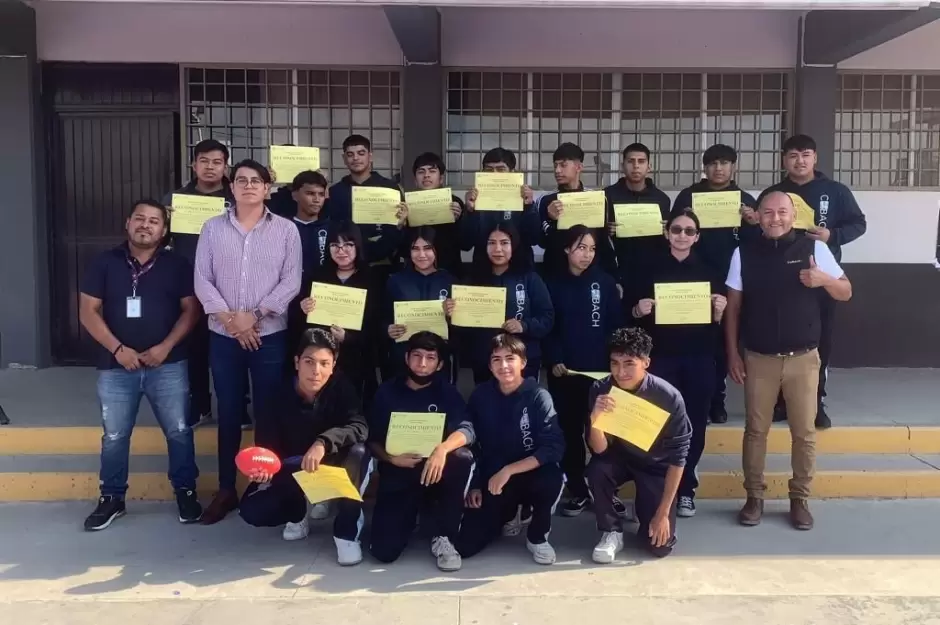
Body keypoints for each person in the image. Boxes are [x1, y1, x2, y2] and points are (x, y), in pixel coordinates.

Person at [725, 191, 853, 531]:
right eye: (768, 212)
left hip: (803, 360)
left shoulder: (814, 249)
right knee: (755, 432)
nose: (775, 218)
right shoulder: (744, 252)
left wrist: (823, 279)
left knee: (804, 433)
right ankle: (754, 497)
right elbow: (733, 308)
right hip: (759, 358)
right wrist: (732, 354)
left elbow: (846, 290)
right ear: (758, 216)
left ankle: (799, 499)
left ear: (793, 214)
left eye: (782, 211)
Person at [79, 199, 201, 530]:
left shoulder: (177, 264)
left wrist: (165, 347)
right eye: (140, 219)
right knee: (115, 436)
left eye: (154, 221)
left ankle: (186, 492)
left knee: (178, 431)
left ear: (164, 229)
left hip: (168, 364)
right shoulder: (105, 262)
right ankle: (112, 498)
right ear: (127, 223)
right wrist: (118, 349)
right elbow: (87, 311)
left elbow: (191, 310)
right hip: (116, 366)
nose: (146, 225)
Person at [194, 159, 302, 524]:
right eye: (241, 180)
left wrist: (253, 317)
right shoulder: (211, 228)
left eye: (256, 181)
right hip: (224, 336)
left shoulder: (286, 230)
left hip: (269, 335)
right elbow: (202, 281)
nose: (249, 186)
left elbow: (291, 282)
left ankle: (264, 484)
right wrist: (232, 321)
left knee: (268, 411)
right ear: (232, 186)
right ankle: (226, 489)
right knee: (229, 412)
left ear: (268, 188)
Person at [759, 134, 866, 429]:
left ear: (815, 158)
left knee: (820, 340)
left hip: (821, 275)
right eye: (793, 155)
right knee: (778, 337)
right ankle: (781, 402)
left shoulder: (835, 191)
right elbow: (762, 229)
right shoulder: (774, 192)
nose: (800, 160)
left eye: (805, 154)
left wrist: (833, 236)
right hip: (778, 277)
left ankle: (815, 401)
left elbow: (859, 223)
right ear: (784, 160)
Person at [240, 328, 370, 566]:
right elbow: (266, 443)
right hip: (294, 468)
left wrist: (323, 442)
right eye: (309, 362)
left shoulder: (342, 387)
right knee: (252, 509)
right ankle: (297, 513)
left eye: (324, 363)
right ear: (297, 362)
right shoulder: (276, 393)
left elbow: (359, 426)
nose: (316, 371)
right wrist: (263, 471)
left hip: (332, 465)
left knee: (360, 453)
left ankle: (346, 531)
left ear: (333, 365)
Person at [630, 209, 725, 518]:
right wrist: (638, 309)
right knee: (653, 425)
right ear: (666, 232)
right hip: (659, 360)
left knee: (694, 424)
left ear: (697, 236)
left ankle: (685, 490)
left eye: (688, 231)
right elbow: (627, 310)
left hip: (698, 359)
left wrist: (719, 311)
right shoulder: (647, 268)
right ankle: (651, 488)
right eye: (677, 229)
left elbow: (719, 325)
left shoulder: (711, 271)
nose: (682, 235)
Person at [367, 332, 474, 571]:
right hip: (398, 473)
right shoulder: (387, 392)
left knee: (461, 458)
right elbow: (372, 440)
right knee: (383, 553)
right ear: (406, 358)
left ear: (440, 364)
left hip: (435, 474)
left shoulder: (447, 393)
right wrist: (391, 458)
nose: (422, 364)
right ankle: (413, 514)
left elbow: (467, 429)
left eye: (430, 357)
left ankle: (444, 535)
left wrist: (442, 449)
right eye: (416, 356)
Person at [456, 334, 565, 565]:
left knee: (553, 478)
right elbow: (471, 440)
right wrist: (474, 484)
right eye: (496, 359)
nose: (503, 365)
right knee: (465, 546)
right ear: (489, 365)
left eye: (510, 358)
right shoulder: (481, 395)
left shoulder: (538, 395)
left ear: (523, 362)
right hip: (494, 475)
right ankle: (509, 513)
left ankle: (537, 536)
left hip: (530, 471)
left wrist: (510, 470)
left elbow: (553, 447)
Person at [585, 328, 691, 563]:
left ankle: (647, 506)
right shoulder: (601, 389)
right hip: (619, 458)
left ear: (646, 363)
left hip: (657, 466)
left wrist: (662, 513)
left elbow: (679, 457)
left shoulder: (669, 397)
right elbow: (600, 450)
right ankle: (611, 530)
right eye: (614, 363)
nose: (620, 372)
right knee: (597, 469)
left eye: (629, 364)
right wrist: (595, 421)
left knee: (659, 548)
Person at [672, 144, 759, 424]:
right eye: (712, 163)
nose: (718, 168)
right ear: (704, 168)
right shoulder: (689, 196)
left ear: (733, 166)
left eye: (724, 163)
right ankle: (685, 397)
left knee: (723, 342)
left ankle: (717, 400)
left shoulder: (744, 200)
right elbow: (674, 232)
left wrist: (752, 222)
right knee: (692, 338)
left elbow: (756, 244)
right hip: (690, 279)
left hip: (730, 281)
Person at [545, 225, 622, 517]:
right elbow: (548, 325)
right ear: (566, 249)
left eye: (591, 248)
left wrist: (614, 367)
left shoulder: (604, 283)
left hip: (599, 375)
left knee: (602, 433)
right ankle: (577, 490)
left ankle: (606, 490)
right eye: (580, 247)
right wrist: (554, 358)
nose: (586, 254)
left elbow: (616, 327)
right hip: (565, 373)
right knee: (570, 433)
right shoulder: (551, 283)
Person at [163, 139, 235, 428]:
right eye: (204, 161)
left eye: (217, 162)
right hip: (188, 286)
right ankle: (200, 404)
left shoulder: (237, 197)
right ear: (194, 164)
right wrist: (166, 221)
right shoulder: (177, 200)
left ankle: (235, 407)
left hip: (229, 285)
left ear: (225, 166)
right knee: (192, 348)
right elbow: (162, 241)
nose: (210, 167)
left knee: (229, 349)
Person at [447, 222, 554, 384]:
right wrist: (451, 315)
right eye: (491, 243)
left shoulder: (529, 278)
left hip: (524, 360)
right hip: (485, 361)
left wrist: (524, 325)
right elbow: (461, 329)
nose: (497, 249)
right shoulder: (471, 281)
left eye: (504, 243)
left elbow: (547, 317)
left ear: (514, 246)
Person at [300, 221, 381, 401]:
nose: (341, 250)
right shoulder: (318, 276)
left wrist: (349, 338)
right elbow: (301, 324)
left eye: (348, 245)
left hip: (358, 361)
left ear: (358, 246)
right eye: (335, 245)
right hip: (321, 360)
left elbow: (377, 326)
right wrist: (302, 308)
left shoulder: (371, 279)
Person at [384, 227, 456, 381]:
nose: (421, 254)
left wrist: (453, 316)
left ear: (436, 250)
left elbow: (460, 329)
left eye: (427, 248)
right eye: (415, 249)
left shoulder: (450, 281)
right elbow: (381, 318)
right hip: (402, 357)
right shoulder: (395, 281)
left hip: (438, 359)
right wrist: (388, 329)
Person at [604, 143, 672, 305]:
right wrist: (605, 229)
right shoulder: (607, 196)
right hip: (615, 271)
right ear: (622, 166)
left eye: (641, 161)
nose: (636, 166)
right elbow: (594, 236)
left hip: (650, 273)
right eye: (631, 161)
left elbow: (667, 242)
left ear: (649, 167)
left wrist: (668, 231)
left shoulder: (662, 199)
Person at [325, 134, 407, 268]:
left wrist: (401, 224)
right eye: (350, 154)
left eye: (361, 153)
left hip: (384, 264)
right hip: (345, 264)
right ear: (344, 158)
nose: (356, 158)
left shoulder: (389, 188)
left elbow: (399, 229)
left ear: (370, 156)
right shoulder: (335, 192)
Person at [538, 142, 617, 278]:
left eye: (563, 165)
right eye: (555, 165)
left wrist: (613, 275)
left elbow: (604, 240)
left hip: (592, 271)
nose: (557, 170)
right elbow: (541, 241)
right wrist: (550, 218)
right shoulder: (546, 200)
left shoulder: (596, 198)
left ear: (579, 167)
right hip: (556, 272)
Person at [460, 147, 541, 268]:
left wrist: (529, 207)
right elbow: (465, 245)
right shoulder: (475, 202)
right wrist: (470, 211)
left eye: (501, 169)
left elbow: (534, 239)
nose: (494, 175)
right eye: (489, 170)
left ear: (513, 172)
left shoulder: (524, 200)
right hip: (483, 272)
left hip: (520, 271)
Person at [285, 170, 332, 359]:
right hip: (287, 309)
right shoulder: (282, 227)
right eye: (310, 193)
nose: (316, 200)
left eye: (321, 195)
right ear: (295, 195)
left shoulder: (332, 228)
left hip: (324, 307)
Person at [407, 152, 465, 277]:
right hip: (415, 272)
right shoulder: (406, 205)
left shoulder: (454, 203)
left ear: (441, 178)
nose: (426, 175)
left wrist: (459, 220)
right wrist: (401, 224)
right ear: (415, 180)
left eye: (432, 171)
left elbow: (465, 244)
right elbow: (402, 247)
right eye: (421, 172)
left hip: (449, 270)